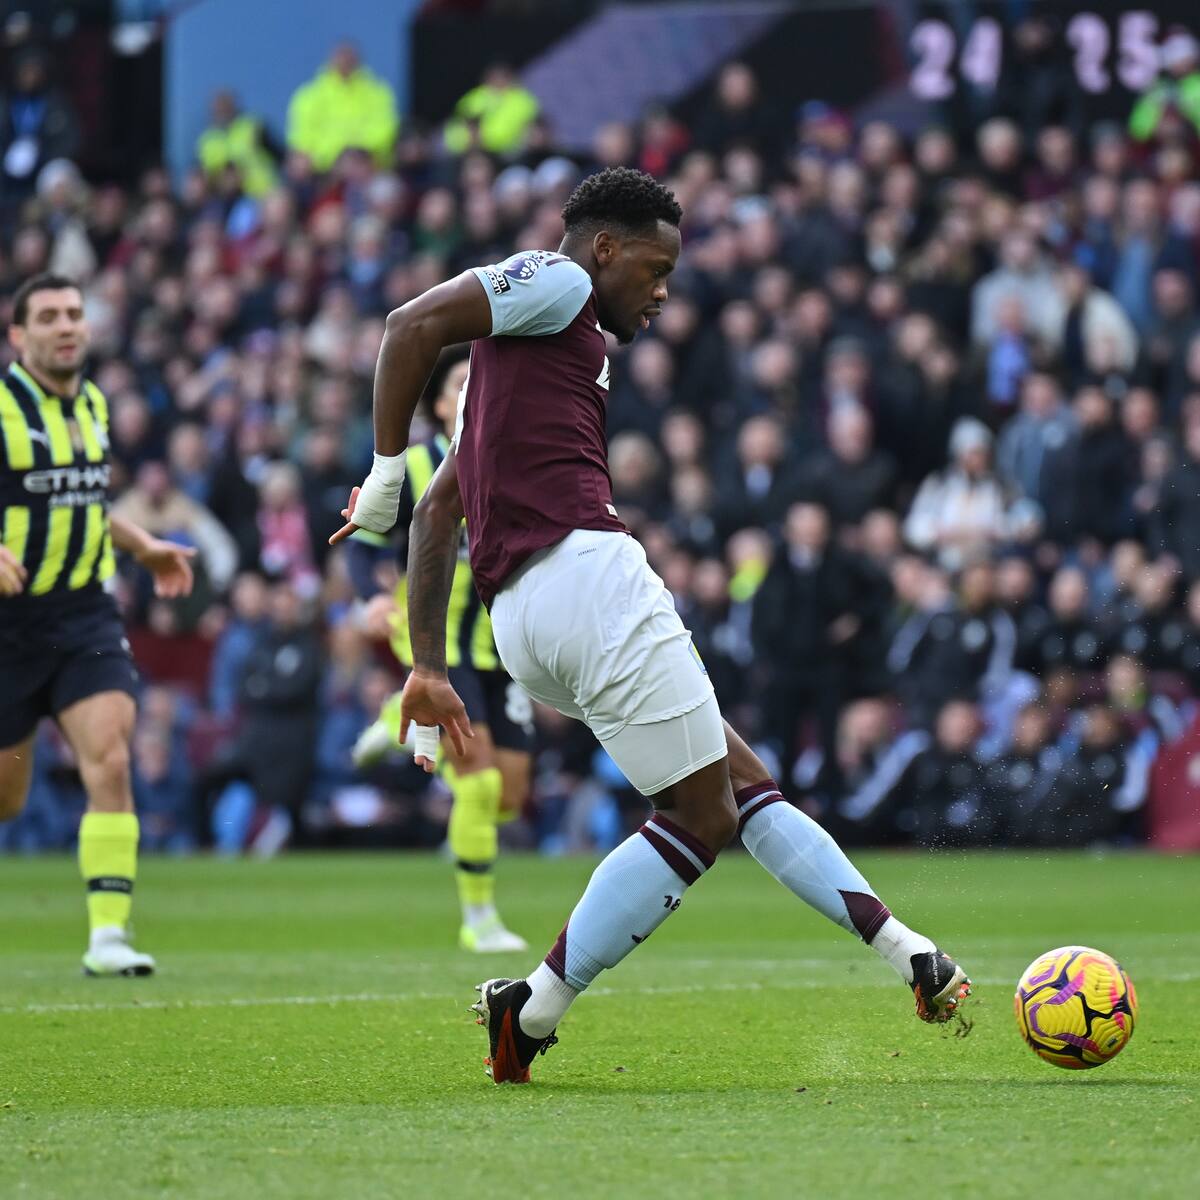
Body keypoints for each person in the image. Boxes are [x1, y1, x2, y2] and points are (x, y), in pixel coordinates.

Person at [329, 167, 971, 1085]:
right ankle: (533, 1009)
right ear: (603, 249)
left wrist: (427, 664)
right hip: (587, 577)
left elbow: (441, 522)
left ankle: (910, 954)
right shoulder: (559, 284)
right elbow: (408, 326)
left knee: (735, 779)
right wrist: (385, 466)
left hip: (523, 625)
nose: (663, 289)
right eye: (655, 265)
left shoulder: (514, 382)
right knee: (703, 812)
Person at [0, 273, 196, 975]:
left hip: (83, 612)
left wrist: (142, 545)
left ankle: (108, 935)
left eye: (74, 314)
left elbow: (79, 504)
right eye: (48, 316)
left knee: (111, 757)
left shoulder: (92, 404)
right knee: (7, 798)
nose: (66, 326)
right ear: (18, 334)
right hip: (7, 626)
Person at [348, 356, 532, 953]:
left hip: (500, 650)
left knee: (509, 797)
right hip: (437, 646)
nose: (475, 389)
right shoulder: (419, 465)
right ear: (439, 406)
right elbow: (361, 539)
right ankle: (478, 920)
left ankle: (391, 721)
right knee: (477, 786)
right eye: (461, 383)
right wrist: (370, 597)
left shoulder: (518, 468)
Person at [286, 43, 398, 172]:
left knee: (385, 188)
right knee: (298, 169)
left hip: (368, 167)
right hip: (323, 169)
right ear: (331, 61)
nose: (344, 64)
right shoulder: (309, 95)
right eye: (340, 59)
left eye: (349, 60)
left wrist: (357, 154)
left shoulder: (378, 92)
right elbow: (301, 137)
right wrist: (329, 158)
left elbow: (385, 129)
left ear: (357, 62)